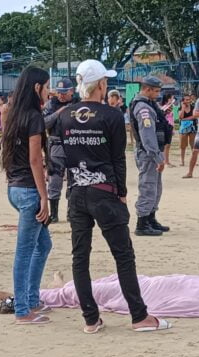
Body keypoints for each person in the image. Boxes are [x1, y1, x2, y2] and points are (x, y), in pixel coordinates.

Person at [53, 59, 171, 333]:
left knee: (80, 256)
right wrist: (122, 192)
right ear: (101, 84)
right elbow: (118, 159)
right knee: (123, 255)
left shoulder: (64, 115)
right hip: (105, 192)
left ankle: (90, 319)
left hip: (77, 192)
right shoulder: (111, 116)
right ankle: (139, 316)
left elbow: (58, 157)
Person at [0, 66, 53, 325]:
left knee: (43, 245)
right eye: (47, 86)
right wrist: (44, 197)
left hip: (15, 187)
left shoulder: (14, 114)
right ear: (36, 88)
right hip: (29, 190)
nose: (50, 91)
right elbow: (35, 160)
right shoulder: (32, 117)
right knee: (26, 250)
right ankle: (23, 309)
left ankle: (31, 298)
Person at [0, 271, 199, 318]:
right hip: (142, 286)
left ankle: (18, 297)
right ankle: (52, 289)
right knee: (84, 291)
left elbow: (163, 305)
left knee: (82, 293)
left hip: (138, 287)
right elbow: (165, 302)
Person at [130, 77, 170, 236]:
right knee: (148, 187)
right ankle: (142, 223)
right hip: (148, 153)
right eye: (156, 90)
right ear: (147, 89)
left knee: (155, 188)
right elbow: (147, 136)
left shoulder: (149, 104)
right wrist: (157, 157)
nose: (158, 94)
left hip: (153, 152)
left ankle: (151, 218)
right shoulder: (143, 108)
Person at [42, 78, 79, 224]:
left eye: (64, 92)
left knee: (74, 180)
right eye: (59, 92)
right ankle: (54, 213)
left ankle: (72, 212)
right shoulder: (51, 104)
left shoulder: (79, 104)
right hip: (56, 143)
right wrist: (59, 112)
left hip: (75, 145)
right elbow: (43, 123)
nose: (61, 95)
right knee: (55, 180)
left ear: (72, 91)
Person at [178, 94, 197, 166]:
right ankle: (182, 161)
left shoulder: (193, 107)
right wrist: (183, 108)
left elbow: (194, 116)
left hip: (192, 128)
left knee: (193, 145)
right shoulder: (180, 108)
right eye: (186, 100)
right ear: (183, 101)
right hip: (183, 129)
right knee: (183, 146)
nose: (188, 101)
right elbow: (180, 117)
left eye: (189, 99)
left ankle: (194, 161)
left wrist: (185, 119)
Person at [160, 93, 176, 167]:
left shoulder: (170, 107)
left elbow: (172, 118)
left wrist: (173, 127)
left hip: (170, 125)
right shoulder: (164, 107)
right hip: (165, 126)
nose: (173, 99)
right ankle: (165, 161)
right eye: (171, 98)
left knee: (168, 145)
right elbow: (163, 113)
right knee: (166, 145)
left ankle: (167, 161)